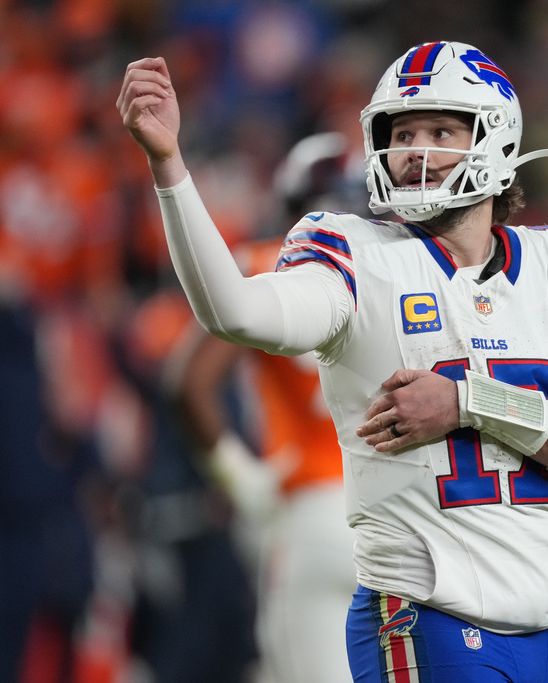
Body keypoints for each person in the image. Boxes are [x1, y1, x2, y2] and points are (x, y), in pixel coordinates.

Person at [117, 40, 548, 682]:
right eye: (403, 133)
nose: (415, 151)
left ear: (495, 138)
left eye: (441, 130)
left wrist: (470, 400)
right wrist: (170, 165)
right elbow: (233, 311)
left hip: (535, 628)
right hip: (426, 616)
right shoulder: (357, 258)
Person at [168, 131, 367, 683]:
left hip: (309, 508)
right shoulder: (410, 274)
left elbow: (188, 382)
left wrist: (240, 478)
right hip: (400, 512)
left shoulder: (267, 262)